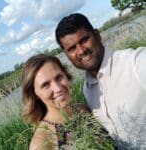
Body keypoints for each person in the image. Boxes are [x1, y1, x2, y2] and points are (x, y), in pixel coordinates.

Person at [55, 13, 146, 148]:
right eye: (72, 48)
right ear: (67, 55)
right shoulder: (87, 89)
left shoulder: (136, 62)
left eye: (84, 40)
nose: (80, 51)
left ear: (97, 35)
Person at [22, 54, 116, 150]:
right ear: (35, 94)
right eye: (45, 85)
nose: (58, 88)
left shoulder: (83, 110)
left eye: (59, 77)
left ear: (66, 76)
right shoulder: (42, 143)